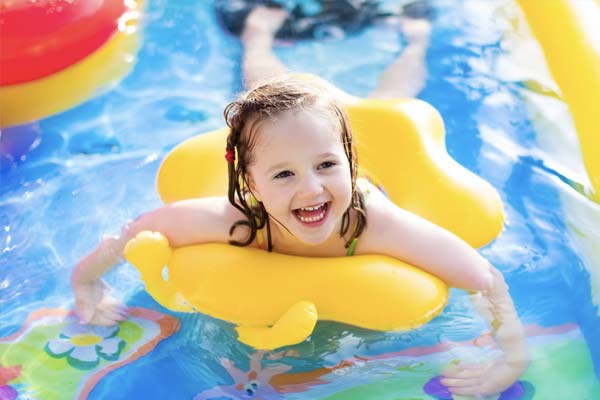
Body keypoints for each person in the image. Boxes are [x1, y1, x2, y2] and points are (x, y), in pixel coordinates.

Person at [71, 5, 529, 397]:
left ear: (350, 162)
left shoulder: (372, 226)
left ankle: (414, 40)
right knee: (262, 93)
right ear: (250, 183)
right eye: (284, 175)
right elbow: (141, 227)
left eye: (328, 167)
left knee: (390, 100)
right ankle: (258, 33)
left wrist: (511, 357)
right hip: (281, 144)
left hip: (362, 159)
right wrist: (86, 282)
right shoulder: (240, 220)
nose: (311, 189)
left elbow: (482, 276)